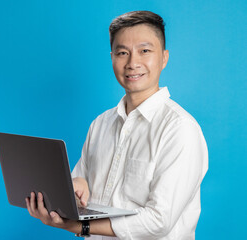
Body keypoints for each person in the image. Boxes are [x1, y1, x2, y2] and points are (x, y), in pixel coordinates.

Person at [25, 10, 208, 239]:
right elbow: (79, 185)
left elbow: (159, 220)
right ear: (112, 57)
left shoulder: (180, 129)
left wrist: (80, 227)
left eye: (144, 51)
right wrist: (78, 185)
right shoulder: (100, 124)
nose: (133, 63)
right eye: (123, 52)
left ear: (164, 58)